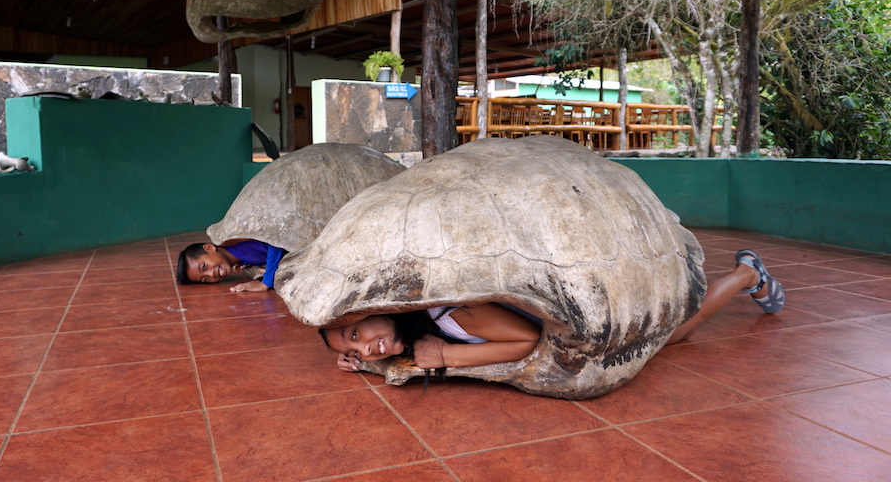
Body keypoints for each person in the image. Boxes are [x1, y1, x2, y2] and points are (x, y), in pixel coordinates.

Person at [321, 248, 785, 372]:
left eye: (358, 333)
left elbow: (527, 342)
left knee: (677, 327)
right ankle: (748, 274)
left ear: (379, 306)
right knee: (678, 335)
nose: (367, 348)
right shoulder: (421, 323)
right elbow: (386, 348)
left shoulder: (454, 315)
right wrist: (366, 364)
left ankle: (748, 275)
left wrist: (447, 357)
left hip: (591, 316)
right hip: (582, 321)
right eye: (357, 350)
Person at [175, 240, 286, 292]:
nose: (211, 274)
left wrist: (265, 283)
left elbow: (275, 242)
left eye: (204, 267)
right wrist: (246, 263)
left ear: (209, 248)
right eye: (205, 279)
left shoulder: (240, 243)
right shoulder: (239, 258)